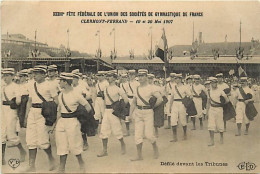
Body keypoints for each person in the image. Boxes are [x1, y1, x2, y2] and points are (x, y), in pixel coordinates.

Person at [56, 73, 92, 173]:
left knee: (74, 145)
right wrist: (55, 124)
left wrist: (81, 118)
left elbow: (88, 107)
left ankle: (81, 164)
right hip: (62, 121)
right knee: (61, 145)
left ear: (66, 82)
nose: (59, 83)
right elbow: (59, 110)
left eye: (61, 81)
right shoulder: (61, 94)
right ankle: (61, 168)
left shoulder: (76, 94)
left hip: (72, 121)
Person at [23, 65, 57, 172]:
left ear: (43, 74)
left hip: (44, 113)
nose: (34, 76)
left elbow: (56, 102)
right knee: (30, 139)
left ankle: (51, 160)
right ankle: (31, 165)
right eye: (33, 73)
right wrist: (26, 116)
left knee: (42, 140)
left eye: (37, 73)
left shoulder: (50, 85)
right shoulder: (30, 84)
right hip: (33, 112)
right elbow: (29, 101)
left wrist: (53, 117)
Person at [130, 69, 162, 161]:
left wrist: (153, 107)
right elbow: (133, 102)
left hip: (148, 112)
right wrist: (130, 114)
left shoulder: (151, 88)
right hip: (138, 112)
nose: (140, 78)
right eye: (139, 76)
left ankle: (155, 147)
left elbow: (160, 99)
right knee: (138, 135)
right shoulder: (137, 88)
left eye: (142, 76)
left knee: (148, 135)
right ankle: (139, 155)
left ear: (146, 77)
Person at [97, 70, 129, 157]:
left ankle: (123, 144)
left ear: (114, 78)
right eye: (107, 76)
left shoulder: (118, 89)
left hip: (114, 112)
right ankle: (104, 150)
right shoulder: (105, 89)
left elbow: (126, 100)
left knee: (117, 130)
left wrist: (119, 109)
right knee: (103, 130)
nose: (108, 78)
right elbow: (104, 102)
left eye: (110, 76)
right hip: (107, 111)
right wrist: (104, 113)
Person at [1, 68, 26, 165]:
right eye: (4, 75)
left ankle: (22, 151)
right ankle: (2, 157)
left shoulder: (16, 86)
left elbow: (19, 101)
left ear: (12, 76)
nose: (5, 78)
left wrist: (15, 101)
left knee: (11, 134)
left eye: (7, 75)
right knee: (1, 133)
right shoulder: (2, 87)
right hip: (2, 110)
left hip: (11, 111)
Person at [206, 77, 229, 146]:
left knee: (220, 125)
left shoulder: (220, 91)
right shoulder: (209, 91)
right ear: (210, 83)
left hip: (219, 109)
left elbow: (227, 100)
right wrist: (207, 111)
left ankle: (221, 137)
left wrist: (221, 104)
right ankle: (212, 140)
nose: (214, 84)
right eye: (212, 83)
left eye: (215, 83)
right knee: (211, 125)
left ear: (217, 83)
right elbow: (208, 102)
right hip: (212, 109)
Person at [169, 74, 192, 142]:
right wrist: (170, 106)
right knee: (173, 120)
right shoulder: (173, 87)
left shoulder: (185, 87)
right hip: (175, 104)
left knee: (183, 120)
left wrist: (186, 103)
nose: (176, 80)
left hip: (182, 104)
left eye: (178, 78)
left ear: (180, 79)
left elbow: (190, 96)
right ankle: (174, 137)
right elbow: (172, 97)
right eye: (175, 78)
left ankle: (185, 134)